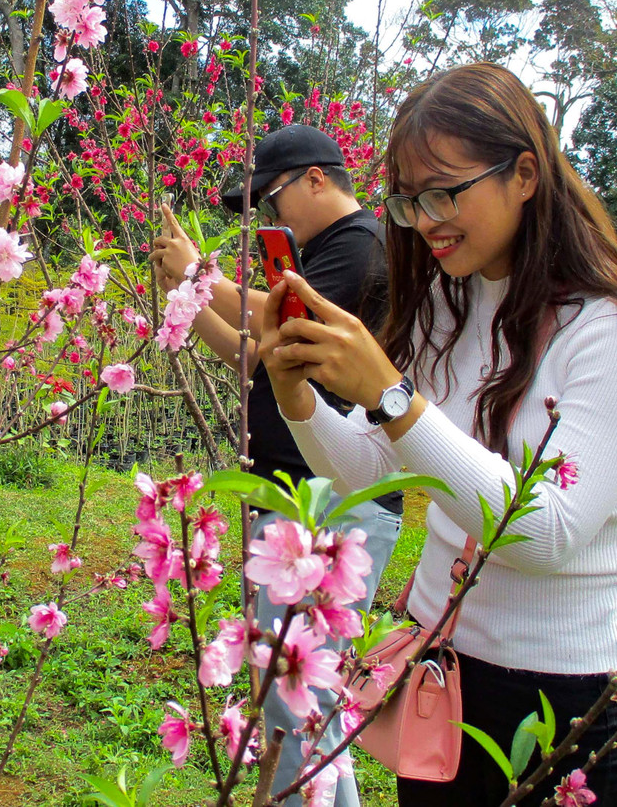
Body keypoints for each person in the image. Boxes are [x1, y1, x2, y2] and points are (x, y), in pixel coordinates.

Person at [256, 62, 617, 806]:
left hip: (570, 706)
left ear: (524, 173)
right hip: (442, 685)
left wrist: (393, 397)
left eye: (445, 192)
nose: (426, 219)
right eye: (408, 201)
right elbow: (376, 475)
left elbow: (545, 533)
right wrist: (295, 395)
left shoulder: (616, 330)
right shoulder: (447, 307)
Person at [149, 124, 401, 807]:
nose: (269, 217)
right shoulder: (322, 255)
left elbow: (288, 320)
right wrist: (191, 292)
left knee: (299, 703)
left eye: (274, 197)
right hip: (298, 503)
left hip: (327, 508)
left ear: (319, 178)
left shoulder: (359, 248)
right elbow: (252, 352)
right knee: (300, 701)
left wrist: (203, 272)